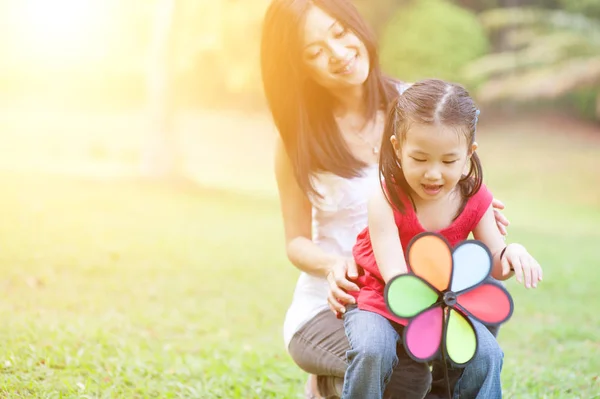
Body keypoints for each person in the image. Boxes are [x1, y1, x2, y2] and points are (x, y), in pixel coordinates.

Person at [260, 1, 510, 397]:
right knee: (402, 370)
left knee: (469, 331)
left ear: (356, 25)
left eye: (340, 33)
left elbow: (457, 175)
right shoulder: (297, 140)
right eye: (315, 52)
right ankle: (332, 379)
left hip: (418, 293)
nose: (338, 54)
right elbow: (295, 241)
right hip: (338, 304)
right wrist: (332, 265)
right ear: (299, 67)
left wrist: (471, 209)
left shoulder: (416, 105)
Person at [343, 79, 544, 399]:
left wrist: (511, 253)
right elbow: (397, 279)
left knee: (487, 355)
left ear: (468, 155)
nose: (434, 174)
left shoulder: (475, 197)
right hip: (380, 300)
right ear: (397, 148)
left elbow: (493, 262)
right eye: (420, 159)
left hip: (445, 302)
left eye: (448, 161)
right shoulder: (385, 196)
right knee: (372, 350)